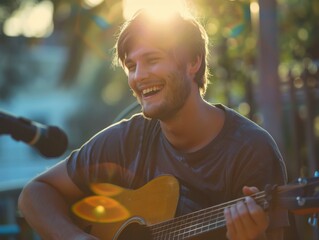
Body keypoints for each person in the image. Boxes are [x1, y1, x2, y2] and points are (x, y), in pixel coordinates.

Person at [18, 9, 289, 240]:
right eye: (131, 65)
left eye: (152, 60)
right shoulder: (128, 140)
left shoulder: (251, 150)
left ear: (193, 62)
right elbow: (34, 194)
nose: (139, 76)